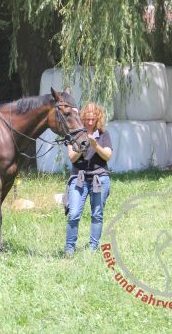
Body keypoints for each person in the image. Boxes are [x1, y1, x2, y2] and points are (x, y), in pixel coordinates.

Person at [64, 102, 113, 256]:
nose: (90, 122)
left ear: (98, 118)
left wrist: (96, 146)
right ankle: (69, 248)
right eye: (87, 119)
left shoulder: (104, 134)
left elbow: (107, 156)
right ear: (82, 118)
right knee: (73, 213)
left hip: (100, 178)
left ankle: (93, 248)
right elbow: (72, 157)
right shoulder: (74, 134)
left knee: (97, 214)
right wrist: (83, 146)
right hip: (79, 178)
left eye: (93, 119)